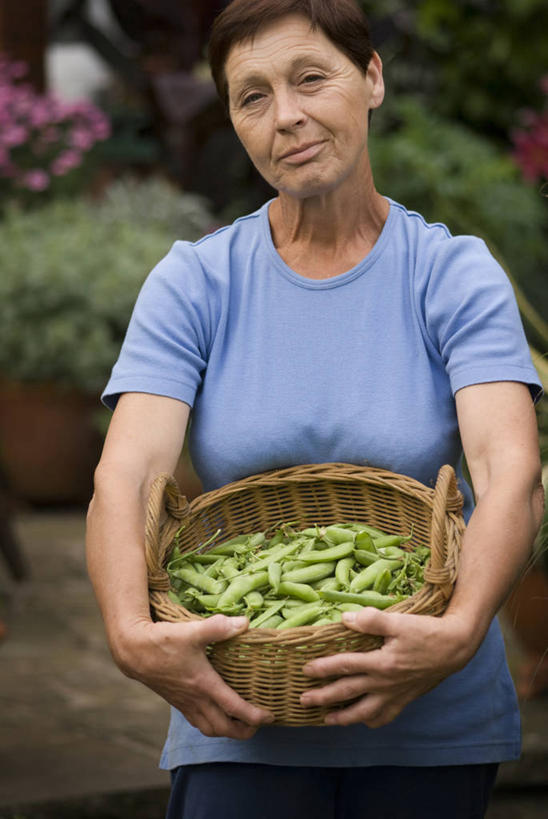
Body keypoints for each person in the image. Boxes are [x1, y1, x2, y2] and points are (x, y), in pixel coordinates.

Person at [86, 1, 544, 817]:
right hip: (237, 716)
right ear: (231, 118)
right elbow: (128, 475)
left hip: (432, 723)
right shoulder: (196, 281)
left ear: (370, 79)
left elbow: (510, 470)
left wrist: (463, 626)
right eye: (251, 96)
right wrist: (129, 634)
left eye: (310, 78)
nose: (286, 116)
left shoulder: (450, 274)